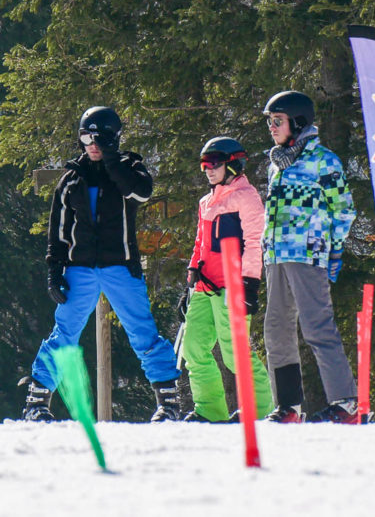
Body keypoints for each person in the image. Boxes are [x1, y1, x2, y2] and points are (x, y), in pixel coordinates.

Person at [22, 106, 182, 423]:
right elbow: (58, 231)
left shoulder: (128, 168)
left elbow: (140, 192)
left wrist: (111, 158)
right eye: (86, 137)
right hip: (79, 269)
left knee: (142, 333)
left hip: (120, 267)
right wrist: (54, 271)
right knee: (64, 333)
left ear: (113, 137)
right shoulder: (71, 180)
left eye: (99, 138)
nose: (92, 144)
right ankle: (36, 403)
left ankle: (169, 403)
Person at [261, 91, 357, 423]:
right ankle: (289, 406)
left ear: (298, 122)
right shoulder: (276, 164)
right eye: (269, 121)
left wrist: (336, 248)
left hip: (307, 253)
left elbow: (343, 209)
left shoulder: (323, 160)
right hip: (276, 255)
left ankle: (345, 403)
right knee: (276, 328)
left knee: (316, 326)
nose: (271, 127)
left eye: (277, 121)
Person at [178, 137, 274, 422]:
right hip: (205, 287)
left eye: (214, 164)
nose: (208, 169)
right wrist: (191, 277)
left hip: (233, 288)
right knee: (193, 348)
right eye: (204, 164)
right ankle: (210, 411)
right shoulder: (206, 202)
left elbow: (255, 242)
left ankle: (260, 412)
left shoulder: (246, 197)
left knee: (235, 353)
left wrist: (250, 284)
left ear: (233, 165)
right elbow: (200, 242)